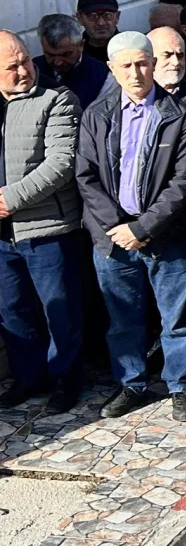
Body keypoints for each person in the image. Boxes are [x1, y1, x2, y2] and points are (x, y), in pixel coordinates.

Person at [75, 32, 186, 421]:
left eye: (142, 63)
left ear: (154, 64)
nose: (136, 73)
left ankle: (181, 385)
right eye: (126, 66)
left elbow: (185, 181)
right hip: (113, 239)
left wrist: (144, 226)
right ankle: (131, 383)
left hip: (165, 236)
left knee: (176, 318)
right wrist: (118, 228)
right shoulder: (96, 115)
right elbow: (86, 176)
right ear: (112, 69)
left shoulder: (178, 115)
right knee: (122, 319)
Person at [0, 32, 88, 412]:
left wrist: (9, 199)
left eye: (24, 60)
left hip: (47, 227)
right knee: (12, 309)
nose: (23, 70)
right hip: (3, 237)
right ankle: (28, 378)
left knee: (60, 308)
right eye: (11, 66)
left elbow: (61, 164)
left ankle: (66, 379)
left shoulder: (56, 100)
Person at [37, 13, 112, 109]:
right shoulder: (32, 71)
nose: (58, 62)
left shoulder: (102, 76)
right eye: (50, 55)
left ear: (81, 45)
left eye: (66, 55)